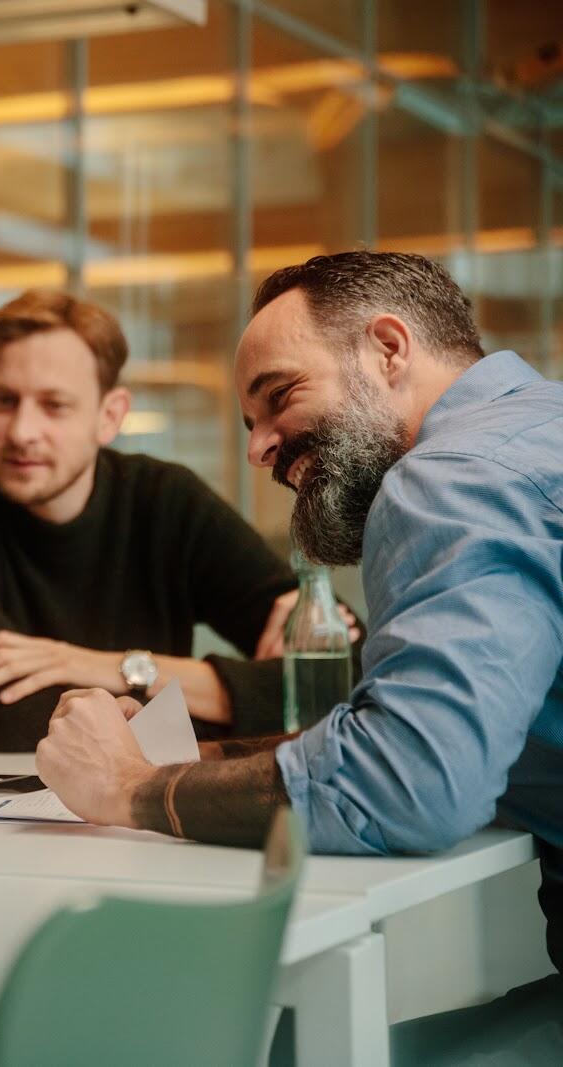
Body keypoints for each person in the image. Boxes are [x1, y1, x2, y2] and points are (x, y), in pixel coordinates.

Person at [37, 251, 563, 1053]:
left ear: (390, 348)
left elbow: (415, 779)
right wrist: (211, 755)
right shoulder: (536, 430)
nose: (259, 450)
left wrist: (129, 785)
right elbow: (455, 722)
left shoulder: (449, 479)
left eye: (279, 397)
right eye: (250, 425)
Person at [0, 289, 353, 759]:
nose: (22, 432)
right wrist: (220, 697)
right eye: (6, 401)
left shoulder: (166, 500)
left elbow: (343, 677)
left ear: (110, 417)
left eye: (54, 405)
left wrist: (113, 667)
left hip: (145, 810)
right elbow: (10, 717)